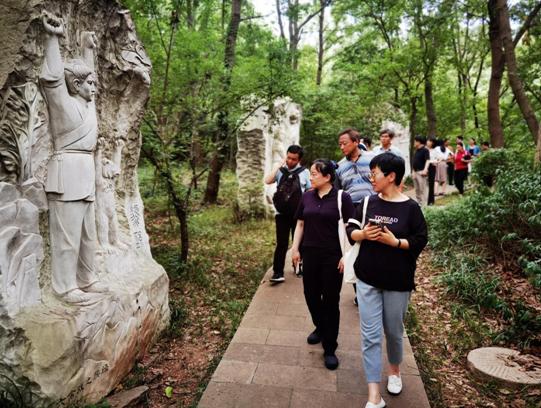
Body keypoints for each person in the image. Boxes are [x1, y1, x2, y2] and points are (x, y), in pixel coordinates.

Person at [346, 153, 428, 408]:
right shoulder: (369, 202)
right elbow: (350, 229)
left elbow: (420, 239)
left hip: (398, 281)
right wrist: (362, 234)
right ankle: (374, 394)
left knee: (393, 332)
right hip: (367, 278)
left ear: (391, 176)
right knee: (370, 336)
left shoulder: (410, 208)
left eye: (375, 174)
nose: (371, 178)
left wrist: (396, 242)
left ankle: (394, 370)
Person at [40, 12, 107, 302]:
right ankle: (64, 286)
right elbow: (52, 80)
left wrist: (87, 49)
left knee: (87, 233)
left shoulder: (87, 104)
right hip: (66, 171)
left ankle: (87, 278)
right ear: (76, 86)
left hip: (85, 173)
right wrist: (52, 37)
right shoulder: (62, 105)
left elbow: (84, 72)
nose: (95, 88)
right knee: (66, 236)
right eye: (90, 84)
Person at [291, 159, 354, 370]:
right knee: (310, 295)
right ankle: (321, 326)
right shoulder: (307, 196)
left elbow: (349, 228)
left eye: (314, 174)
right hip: (310, 254)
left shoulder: (342, 198)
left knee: (330, 301)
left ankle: (329, 347)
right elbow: (300, 223)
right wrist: (295, 248)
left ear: (327, 177)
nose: (311, 177)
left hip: (332, 257)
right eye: (310, 173)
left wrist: (346, 255)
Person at [335, 128, 375, 304]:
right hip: (351, 210)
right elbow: (338, 191)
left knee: (371, 248)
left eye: (345, 143)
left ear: (356, 141)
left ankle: (372, 288)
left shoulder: (373, 160)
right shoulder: (339, 166)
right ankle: (359, 292)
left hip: (373, 208)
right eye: (340, 144)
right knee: (353, 250)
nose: (342, 147)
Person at [265, 145, 310, 283]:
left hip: (299, 214)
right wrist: (280, 165)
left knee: (300, 243)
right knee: (281, 243)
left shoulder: (305, 172)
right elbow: (267, 180)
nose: (290, 161)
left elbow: (310, 190)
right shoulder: (281, 170)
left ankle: (298, 267)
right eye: (288, 158)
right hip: (281, 213)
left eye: (294, 159)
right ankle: (278, 272)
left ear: (299, 159)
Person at [411, 136, 430, 206]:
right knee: (417, 190)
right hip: (415, 172)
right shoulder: (416, 151)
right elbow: (414, 162)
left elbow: (427, 160)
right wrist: (413, 172)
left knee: (422, 189)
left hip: (421, 172)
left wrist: (425, 170)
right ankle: (419, 204)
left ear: (419, 142)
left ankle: (424, 205)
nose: (414, 143)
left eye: (415, 141)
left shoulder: (425, 150)